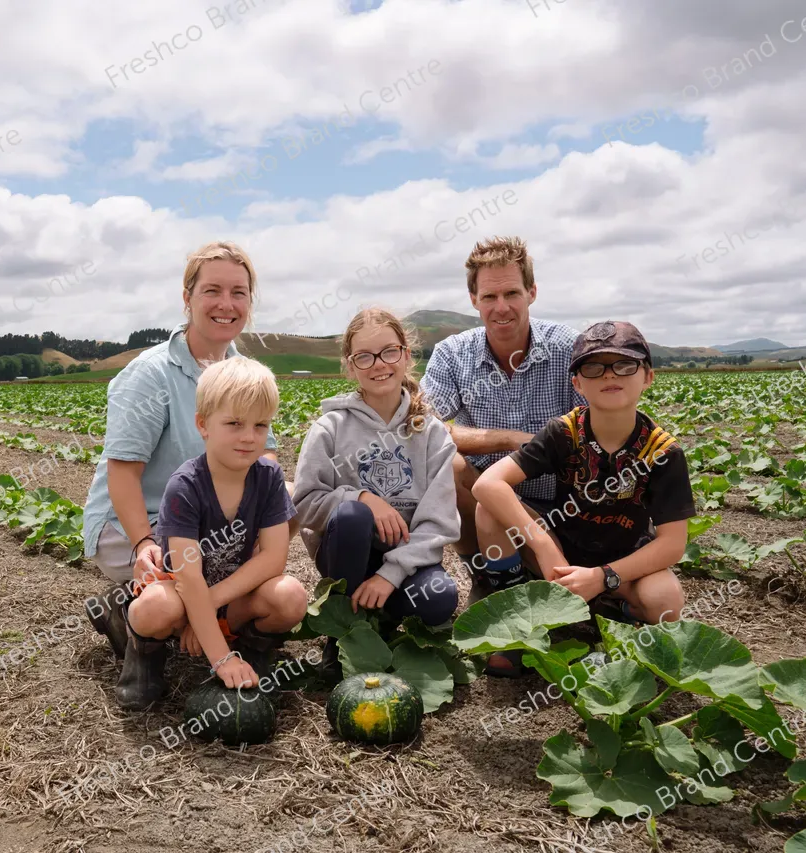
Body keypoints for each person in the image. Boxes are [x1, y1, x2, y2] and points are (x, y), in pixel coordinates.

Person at [81, 241, 290, 662]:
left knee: (288, 493)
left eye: (239, 292)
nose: (226, 304)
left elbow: (265, 460)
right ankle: (131, 614)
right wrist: (143, 544)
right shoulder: (150, 374)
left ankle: (206, 612)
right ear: (187, 298)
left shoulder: (242, 372)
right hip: (145, 520)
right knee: (171, 599)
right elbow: (123, 474)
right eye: (212, 290)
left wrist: (263, 512)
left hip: (210, 521)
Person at [470, 321, 691, 676]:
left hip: (622, 565)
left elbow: (672, 545)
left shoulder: (662, 451)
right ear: (577, 382)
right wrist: (543, 546)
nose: (609, 376)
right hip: (558, 559)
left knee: (665, 601)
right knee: (488, 511)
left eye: (624, 364)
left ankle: (610, 613)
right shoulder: (563, 432)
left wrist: (602, 577)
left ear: (648, 376)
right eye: (593, 367)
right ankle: (516, 615)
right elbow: (488, 485)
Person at [116, 357, 306, 710]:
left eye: (260, 425)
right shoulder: (185, 487)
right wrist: (221, 660)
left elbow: (273, 559)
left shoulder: (267, 478)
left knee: (290, 596)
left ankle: (253, 648)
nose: (249, 437)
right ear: (203, 424)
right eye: (234, 423)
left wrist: (215, 605)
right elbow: (188, 583)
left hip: (224, 597)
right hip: (180, 598)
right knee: (158, 605)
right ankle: (143, 652)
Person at [294, 308, 462, 676]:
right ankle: (342, 634)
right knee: (354, 516)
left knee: (440, 596)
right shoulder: (330, 428)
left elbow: (439, 524)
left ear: (405, 355)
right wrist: (363, 498)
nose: (378, 364)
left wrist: (390, 574)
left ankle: (377, 622)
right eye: (364, 357)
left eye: (389, 351)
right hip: (346, 556)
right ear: (351, 366)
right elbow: (305, 504)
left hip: (406, 564)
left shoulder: (431, 433)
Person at [420, 236, 582, 594]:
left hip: (560, 505)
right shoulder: (452, 354)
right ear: (474, 299)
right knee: (447, 464)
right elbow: (425, 428)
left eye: (512, 293)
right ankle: (485, 572)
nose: (501, 307)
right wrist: (512, 440)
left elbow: (593, 428)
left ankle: (541, 569)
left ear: (532, 292)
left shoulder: (568, 348)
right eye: (490, 297)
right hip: (485, 500)